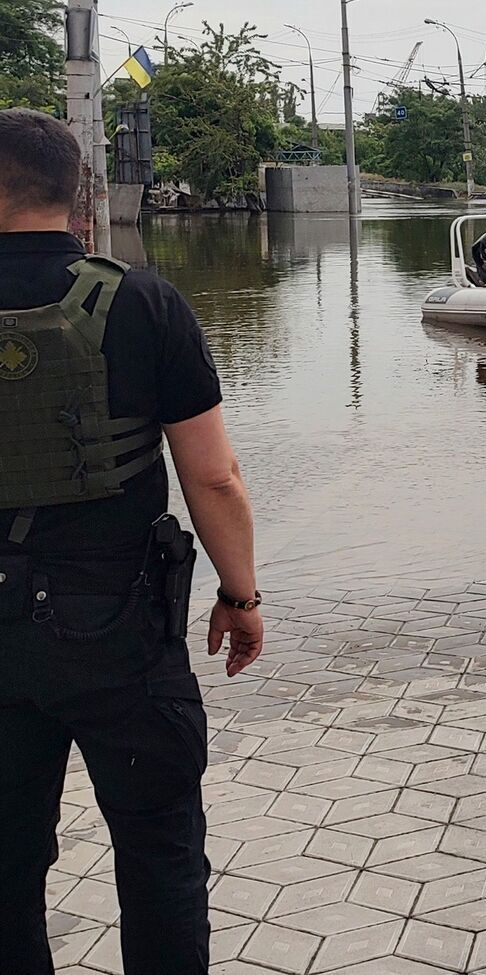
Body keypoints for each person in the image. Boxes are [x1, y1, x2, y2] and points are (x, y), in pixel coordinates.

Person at [0, 108, 264, 973]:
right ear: (76, 194)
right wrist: (240, 594)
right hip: (120, 631)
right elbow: (213, 477)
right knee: (159, 859)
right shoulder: (144, 302)